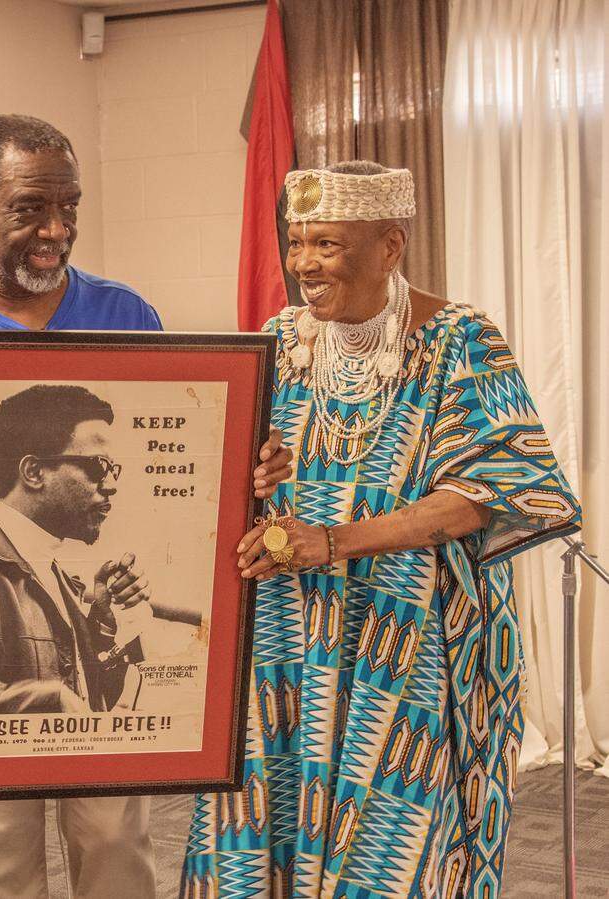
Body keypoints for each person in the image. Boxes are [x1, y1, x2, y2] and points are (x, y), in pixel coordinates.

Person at [0, 113, 291, 899]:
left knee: (118, 851)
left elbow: (184, 456)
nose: (56, 230)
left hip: (101, 698)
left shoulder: (128, 315)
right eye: (31, 209)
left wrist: (244, 462)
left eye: (69, 207)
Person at [181, 163, 582, 898]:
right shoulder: (279, 338)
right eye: (296, 242)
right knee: (269, 816)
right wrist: (253, 474)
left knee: (394, 840)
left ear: (390, 245)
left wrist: (332, 541)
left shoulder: (461, 339)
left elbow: (495, 491)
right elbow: (239, 467)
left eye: (327, 244)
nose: (303, 263)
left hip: (410, 631)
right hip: (289, 629)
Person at [0, 384, 151, 718]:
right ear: (33, 472)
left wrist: (102, 625)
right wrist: (48, 702)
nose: (111, 485)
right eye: (98, 466)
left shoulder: (51, 569)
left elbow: (86, 701)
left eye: (113, 470)